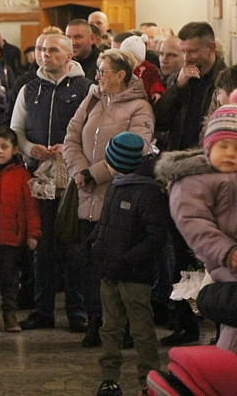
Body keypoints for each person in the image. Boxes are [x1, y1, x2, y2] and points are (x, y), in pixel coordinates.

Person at [63, 49, 154, 347]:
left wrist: (95, 174)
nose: (98, 76)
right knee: (87, 264)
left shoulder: (139, 107)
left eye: (103, 71)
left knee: (115, 267)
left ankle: (121, 327)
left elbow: (136, 148)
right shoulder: (92, 99)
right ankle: (94, 322)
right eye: (98, 71)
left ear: (121, 76)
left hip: (117, 198)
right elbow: (72, 137)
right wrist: (79, 171)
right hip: (85, 195)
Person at [10, 34, 93, 332]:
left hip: (74, 181)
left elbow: (93, 132)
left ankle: (78, 311)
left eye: (53, 50)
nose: (45, 54)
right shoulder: (28, 89)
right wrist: (31, 148)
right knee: (42, 248)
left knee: (73, 249)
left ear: (69, 56)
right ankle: (43, 310)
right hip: (39, 178)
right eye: (41, 49)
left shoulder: (87, 89)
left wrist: (69, 150)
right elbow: (15, 131)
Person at [153, 21, 226, 345]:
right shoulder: (181, 78)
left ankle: (223, 328)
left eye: (193, 51)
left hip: (216, 177)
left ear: (210, 49)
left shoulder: (226, 79)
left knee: (214, 256)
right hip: (182, 176)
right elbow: (161, 119)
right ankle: (185, 324)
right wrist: (179, 85)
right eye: (183, 52)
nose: (188, 57)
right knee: (181, 254)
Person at [155, 101, 237, 353]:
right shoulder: (193, 181)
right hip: (227, 264)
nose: (231, 154)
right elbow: (195, 224)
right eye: (224, 146)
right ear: (208, 147)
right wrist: (227, 252)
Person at [92, 132, 166, 396]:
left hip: (135, 276)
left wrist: (127, 258)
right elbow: (107, 224)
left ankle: (149, 380)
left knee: (141, 330)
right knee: (110, 328)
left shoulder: (147, 192)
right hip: (110, 272)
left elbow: (156, 236)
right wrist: (97, 247)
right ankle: (109, 378)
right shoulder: (117, 185)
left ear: (119, 162)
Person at [0, 126, 40, 334]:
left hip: (12, 239)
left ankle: (10, 315)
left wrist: (33, 234)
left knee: (10, 280)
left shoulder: (22, 175)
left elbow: (30, 207)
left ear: (15, 149)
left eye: (4, 147)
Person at [120, 36, 165, 102]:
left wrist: (156, 92)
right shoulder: (121, 68)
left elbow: (155, 82)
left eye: (129, 57)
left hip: (144, 99)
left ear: (138, 58)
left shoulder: (149, 68)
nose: (126, 60)